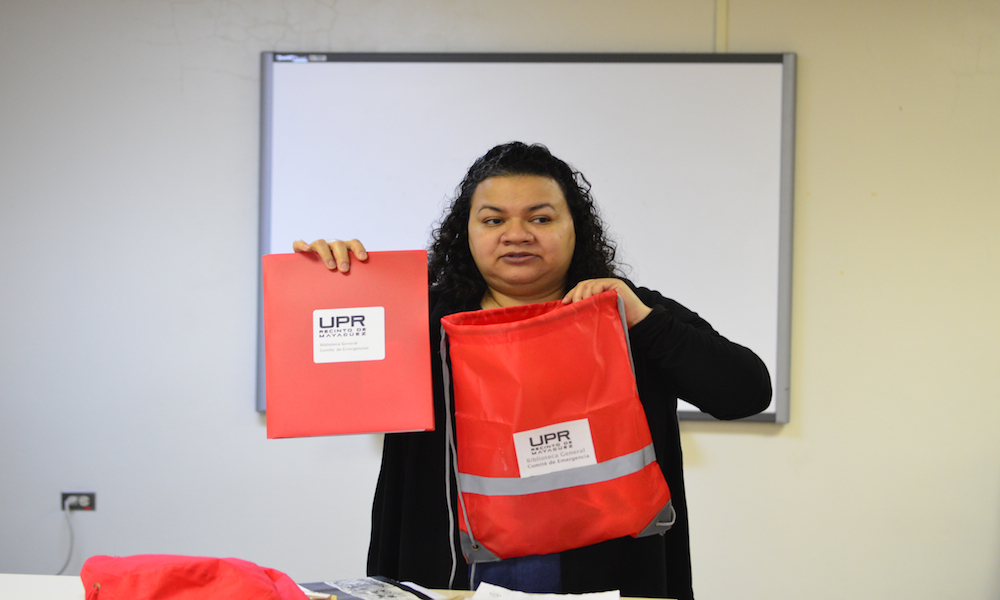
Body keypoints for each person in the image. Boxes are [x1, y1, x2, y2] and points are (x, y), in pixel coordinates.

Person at [293, 142, 771, 600]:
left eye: (540, 218)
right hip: (449, 577)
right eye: (493, 219)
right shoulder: (418, 318)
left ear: (574, 228)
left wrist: (643, 320)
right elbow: (323, 392)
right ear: (468, 232)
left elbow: (746, 393)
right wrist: (333, 290)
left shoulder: (625, 311)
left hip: (607, 578)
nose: (517, 234)